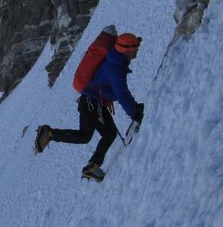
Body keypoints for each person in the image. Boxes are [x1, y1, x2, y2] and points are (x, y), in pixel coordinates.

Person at [35, 32, 144, 182]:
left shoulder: (116, 60)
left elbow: (121, 92)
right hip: (91, 103)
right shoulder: (116, 68)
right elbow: (121, 93)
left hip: (93, 101)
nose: (138, 50)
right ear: (127, 49)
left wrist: (134, 109)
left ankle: (92, 166)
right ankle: (49, 133)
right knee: (85, 135)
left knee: (109, 133)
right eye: (136, 47)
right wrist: (134, 112)